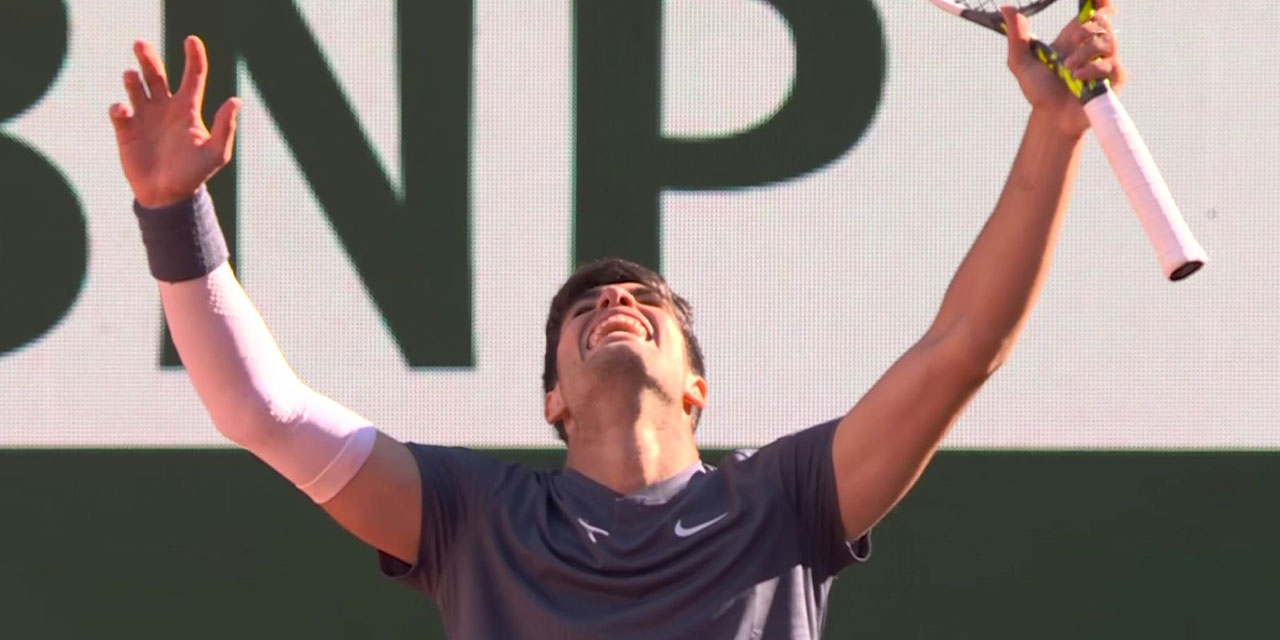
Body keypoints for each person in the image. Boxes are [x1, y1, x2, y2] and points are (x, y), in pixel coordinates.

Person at [108, 3, 1125, 638]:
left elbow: (960, 349)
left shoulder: (783, 500)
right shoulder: (471, 519)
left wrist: (1053, 133)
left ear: (696, 386)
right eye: (583, 306)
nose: (614, 301)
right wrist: (170, 210)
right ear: (551, 397)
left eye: (646, 301)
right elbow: (261, 410)